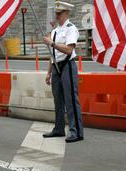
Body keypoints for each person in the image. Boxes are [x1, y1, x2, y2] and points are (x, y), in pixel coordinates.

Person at [42, 1, 84, 143]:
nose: (57, 16)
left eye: (60, 13)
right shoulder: (54, 31)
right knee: (58, 100)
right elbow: (52, 54)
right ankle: (59, 128)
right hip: (56, 67)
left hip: (67, 66)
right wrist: (49, 72)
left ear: (66, 13)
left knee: (71, 99)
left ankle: (76, 131)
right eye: (56, 13)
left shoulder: (71, 29)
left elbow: (68, 50)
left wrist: (51, 43)